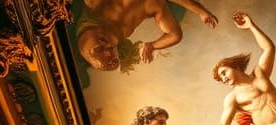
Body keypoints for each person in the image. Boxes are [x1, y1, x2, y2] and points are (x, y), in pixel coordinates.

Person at [77, 0, 218, 72]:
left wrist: (200, 11)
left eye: (102, 49)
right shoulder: (154, 6)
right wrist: (152, 46)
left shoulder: (97, 8)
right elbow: (175, 35)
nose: (108, 50)